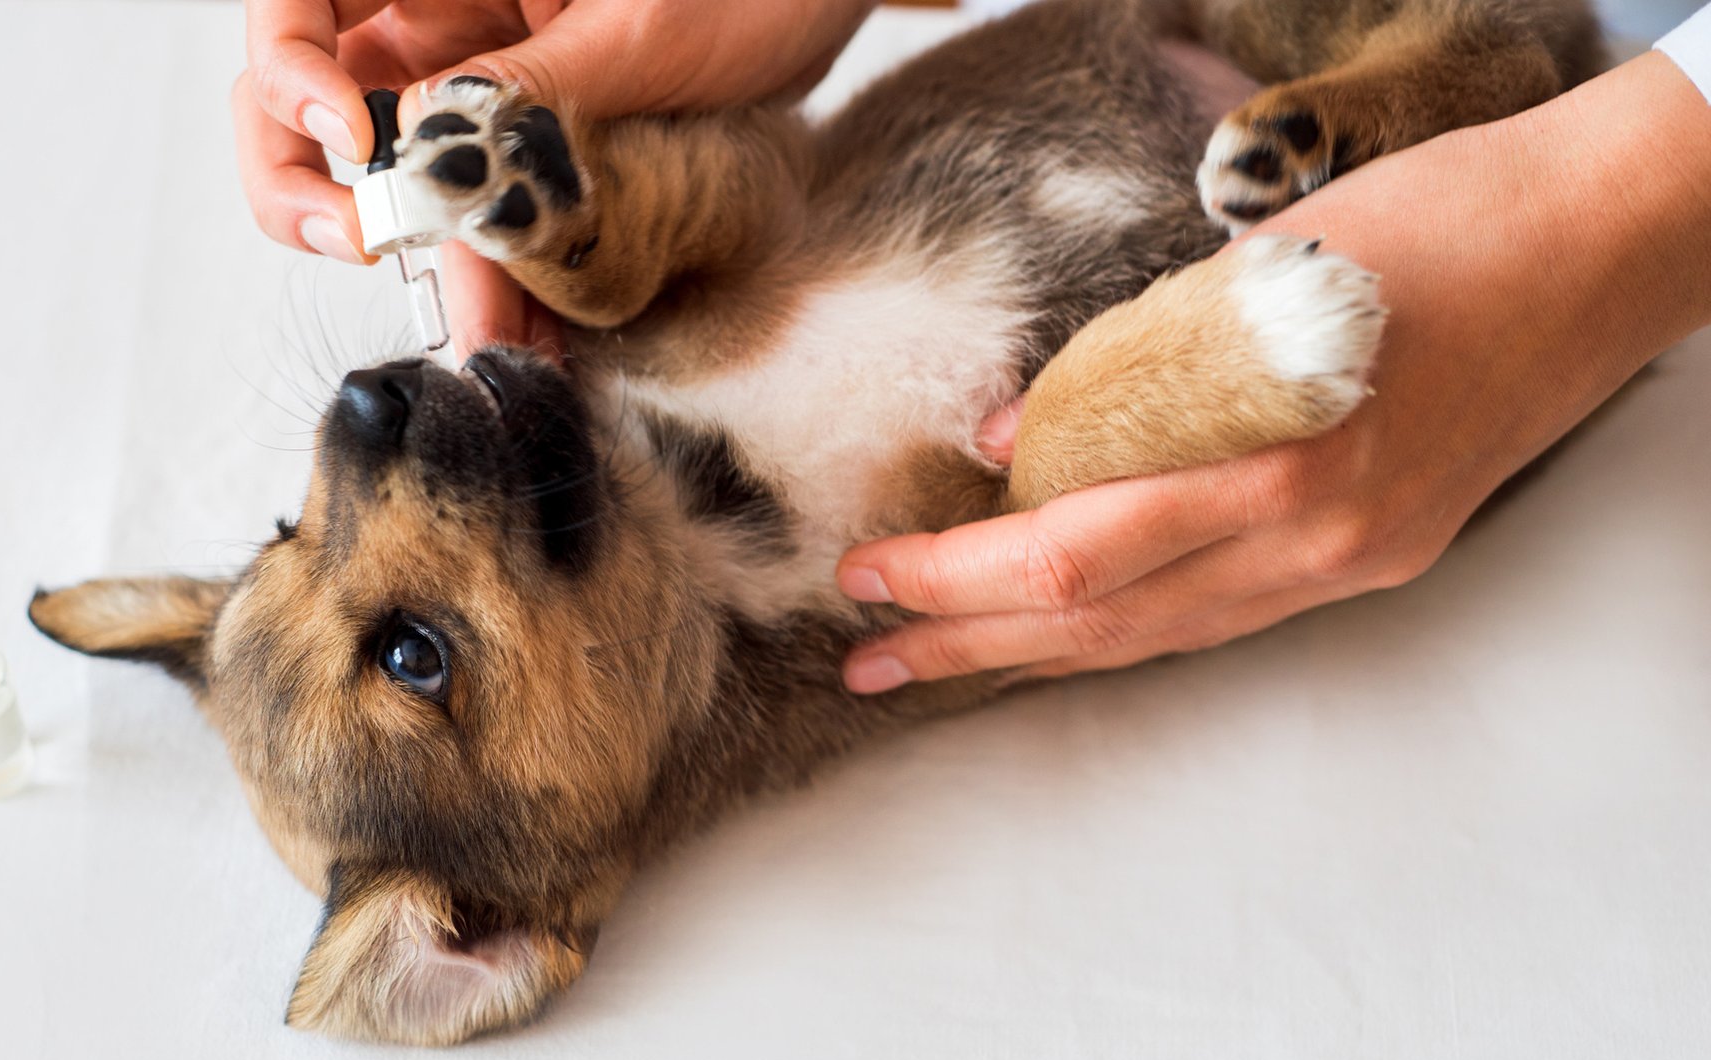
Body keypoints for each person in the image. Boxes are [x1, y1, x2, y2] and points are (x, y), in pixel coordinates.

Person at [234, 1, 1711, 694]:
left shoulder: (607, 370)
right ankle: (1442, 84)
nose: (356, 436)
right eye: (409, 652)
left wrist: (1639, 206)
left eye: (300, 534)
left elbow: (745, 187)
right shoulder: (824, 658)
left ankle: (1451, 71)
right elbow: (1047, 492)